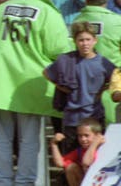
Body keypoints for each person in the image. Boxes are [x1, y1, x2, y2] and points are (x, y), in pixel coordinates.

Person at [0, 0, 72, 185]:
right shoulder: (48, 12)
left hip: (0, 83)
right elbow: (60, 51)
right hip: (30, 83)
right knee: (29, 139)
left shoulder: (3, 8)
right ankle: (24, 182)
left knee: (3, 139)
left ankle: (3, 181)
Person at [44, 21, 114, 153]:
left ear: (95, 40)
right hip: (72, 119)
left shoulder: (103, 63)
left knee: (94, 160)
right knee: (71, 160)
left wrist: (103, 89)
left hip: (94, 118)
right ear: (75, 41)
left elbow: (116, 77)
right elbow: (47, 73)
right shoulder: (66, 60)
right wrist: (61, 87)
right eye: (81, 40)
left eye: (88, 39)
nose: (85, 44)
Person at [49, 117, 105, 186]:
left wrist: (94, 144)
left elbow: (86, 163)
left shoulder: (103, 148)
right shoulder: (80, 151)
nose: (83, 139)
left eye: (86, 135)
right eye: (80, 136)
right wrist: (54, 144)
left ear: (97, 135)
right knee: (71, 167)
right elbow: (60, 163)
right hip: (88, 182)